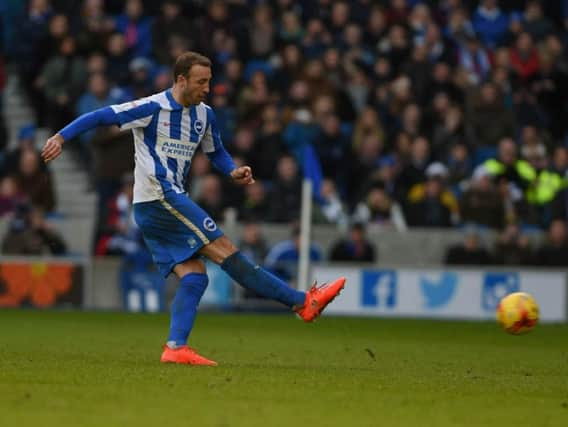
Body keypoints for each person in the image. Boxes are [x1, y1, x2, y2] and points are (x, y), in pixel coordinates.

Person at [41, 51, 345, 366]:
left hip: (160, 206)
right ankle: (301, 303)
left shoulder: (205, 115)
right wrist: (61, 138)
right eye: (201, 82)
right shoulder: (152, 107)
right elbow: (101, 115)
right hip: (160, 198)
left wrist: (231, 171)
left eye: (209, 82)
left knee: (195, 276)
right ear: (181, 80)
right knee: (225, 250)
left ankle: (175, 347)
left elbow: (216, 151)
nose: (207, 88)